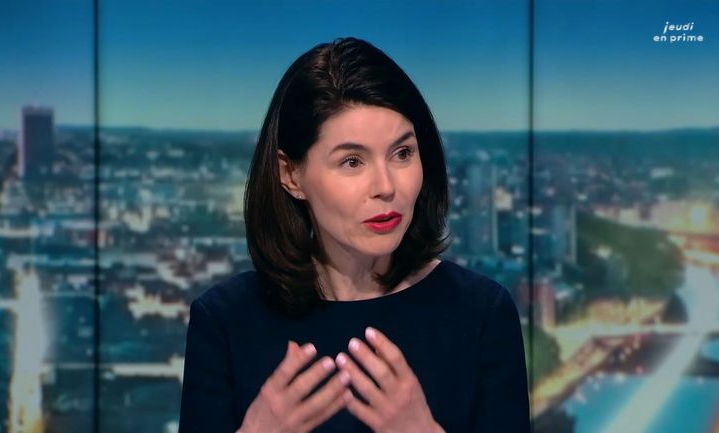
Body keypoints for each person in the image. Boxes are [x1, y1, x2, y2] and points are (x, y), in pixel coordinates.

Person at [178, 37, 531, 433]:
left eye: (402, 154)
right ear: (290, 174)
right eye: (352, 161)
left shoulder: (482, 314)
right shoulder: (224, 322)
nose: (386, 186)